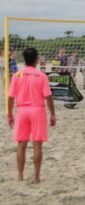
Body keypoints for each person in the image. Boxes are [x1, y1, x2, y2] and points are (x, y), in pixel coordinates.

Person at [7, 48, 56, 184]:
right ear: (36, 59)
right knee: (37, 146)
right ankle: (36, 176)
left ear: (24, 59)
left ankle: (20, 176)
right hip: (37, 111)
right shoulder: (41, 76)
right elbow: (48, 97)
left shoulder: (17, 75)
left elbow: (11, 97)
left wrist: (10, 113)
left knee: (21, 144)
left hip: (22, 111)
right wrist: (52, 114)